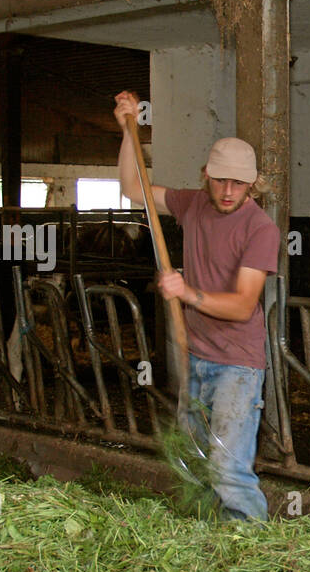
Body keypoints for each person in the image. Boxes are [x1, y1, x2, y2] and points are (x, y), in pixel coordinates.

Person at [113, 90, 278, 520]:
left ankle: (250, 550)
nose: (227, 191)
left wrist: (187, 293)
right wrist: (129, 131)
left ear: (253, 183)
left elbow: (244, 306)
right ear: (206, 175)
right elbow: (135, 188)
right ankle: (205, 546)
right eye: (220, 180)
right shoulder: (194, 204)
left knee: (227, 467)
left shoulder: (260, 230)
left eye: (238, 183)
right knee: (194, 464)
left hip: (237, 365)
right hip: (195, 355)